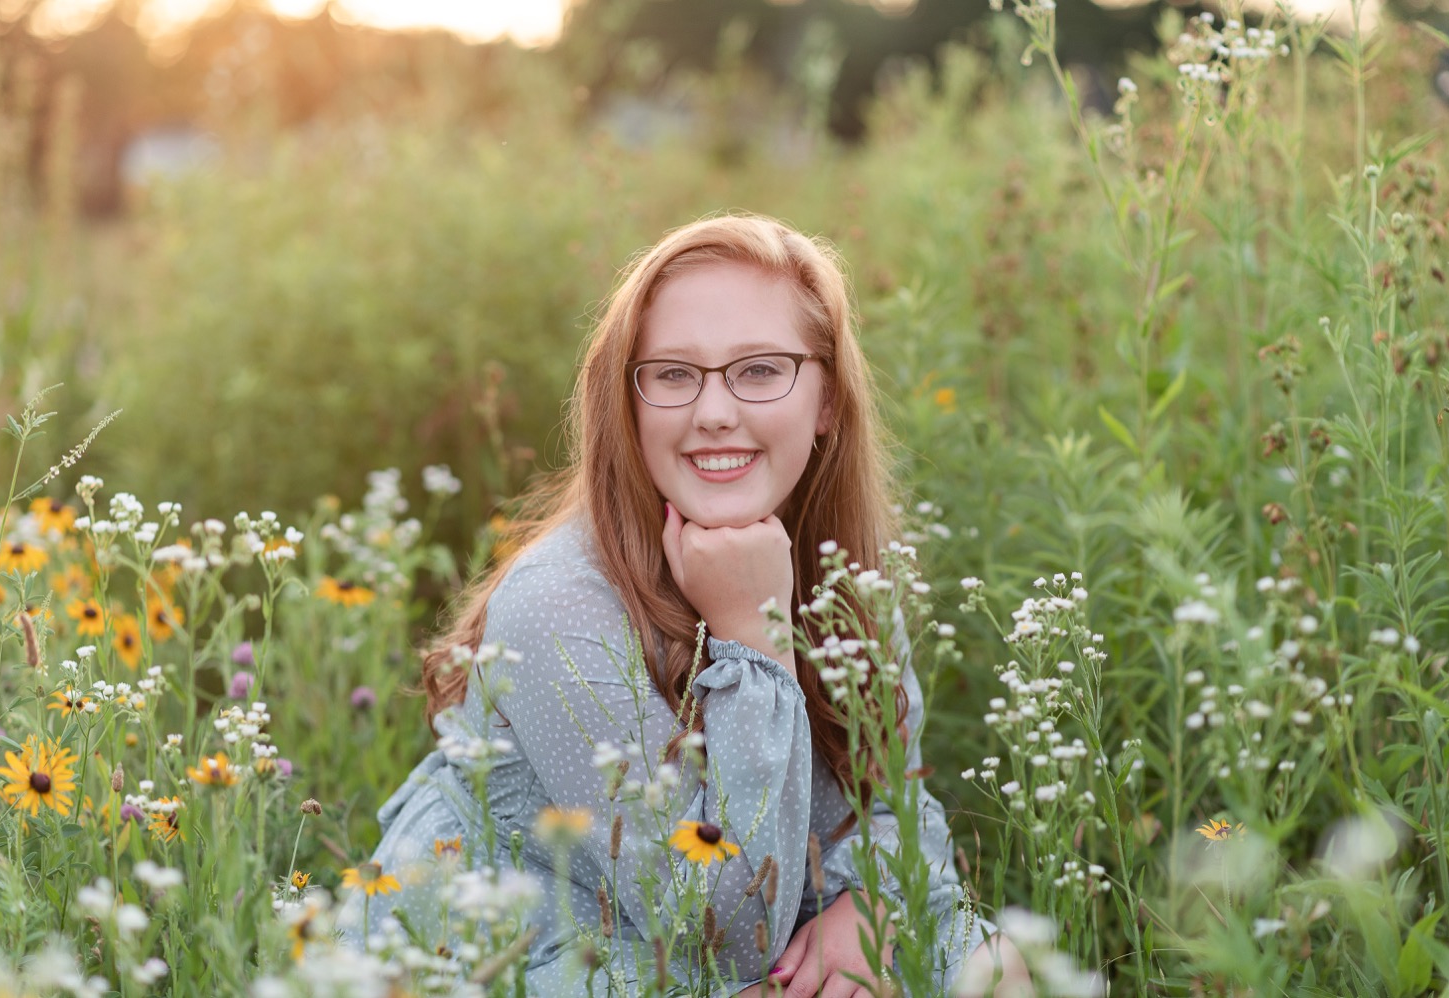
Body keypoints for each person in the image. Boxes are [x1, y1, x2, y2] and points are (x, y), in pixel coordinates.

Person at [340, 214, 1030, 995]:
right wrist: (752, 639)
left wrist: (876, 906)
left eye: (760, 371)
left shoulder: (839, 571)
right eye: (672, 374)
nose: (713, 412)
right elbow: (719, 935)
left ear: (828, 399)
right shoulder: (557, 609)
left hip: (778, 928)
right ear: (628, 403)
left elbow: (894, 801)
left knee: (1000, 972)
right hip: (550, 951)